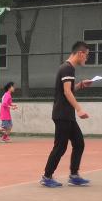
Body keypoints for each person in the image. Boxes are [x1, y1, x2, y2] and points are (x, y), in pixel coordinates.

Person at [40, 41, 93, 187]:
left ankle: (74, 176)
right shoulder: (67, 68)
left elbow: (68, 89)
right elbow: (67, 92)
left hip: (66, 115)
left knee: (79, 143)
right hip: (62, 114)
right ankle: (47, 176)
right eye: (86, 55)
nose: (86, 58)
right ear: (80, 53)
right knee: (60, 146)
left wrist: (81, 85)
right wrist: (79, 109)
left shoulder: (68, 68)